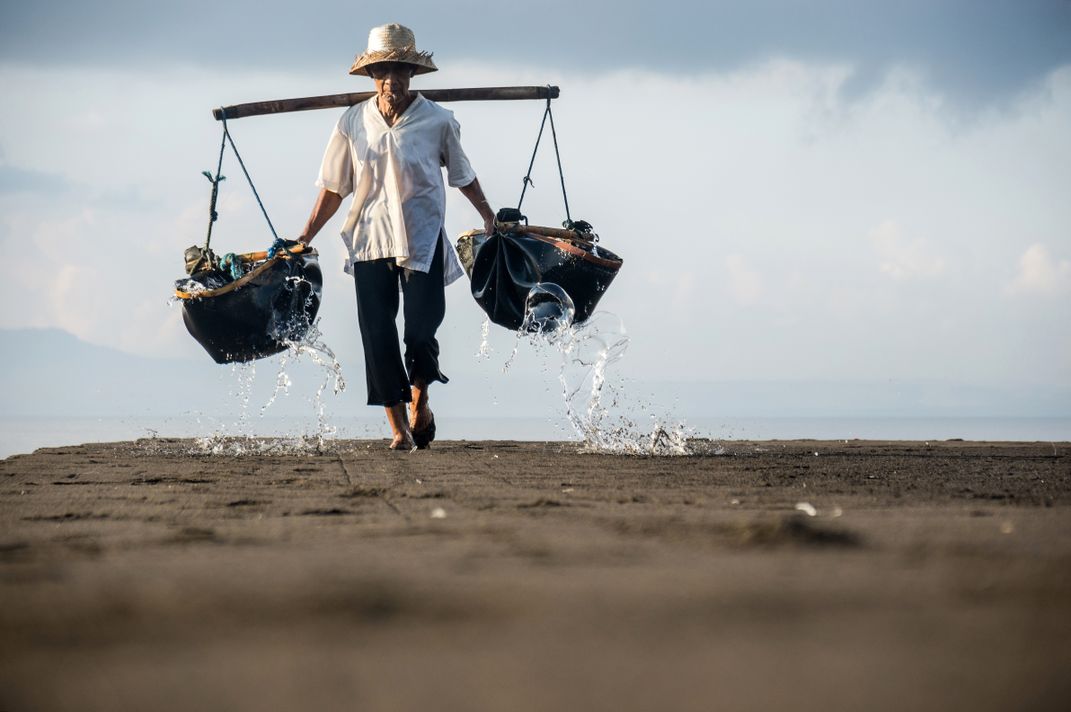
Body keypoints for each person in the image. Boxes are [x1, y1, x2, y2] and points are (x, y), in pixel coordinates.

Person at [296, 23, 495, 450]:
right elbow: (333, 187)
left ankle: (420, 397)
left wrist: (487, 214)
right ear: (371, 76)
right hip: (369, 241)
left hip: (421, 241)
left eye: (400, 71)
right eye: (383, 72)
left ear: (413, 74)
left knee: (421, 332)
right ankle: (399, 430)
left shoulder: (438, 120)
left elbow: (463, 175)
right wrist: (304, 235)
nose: (392, 81)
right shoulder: (352, 122)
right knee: (378, 335)